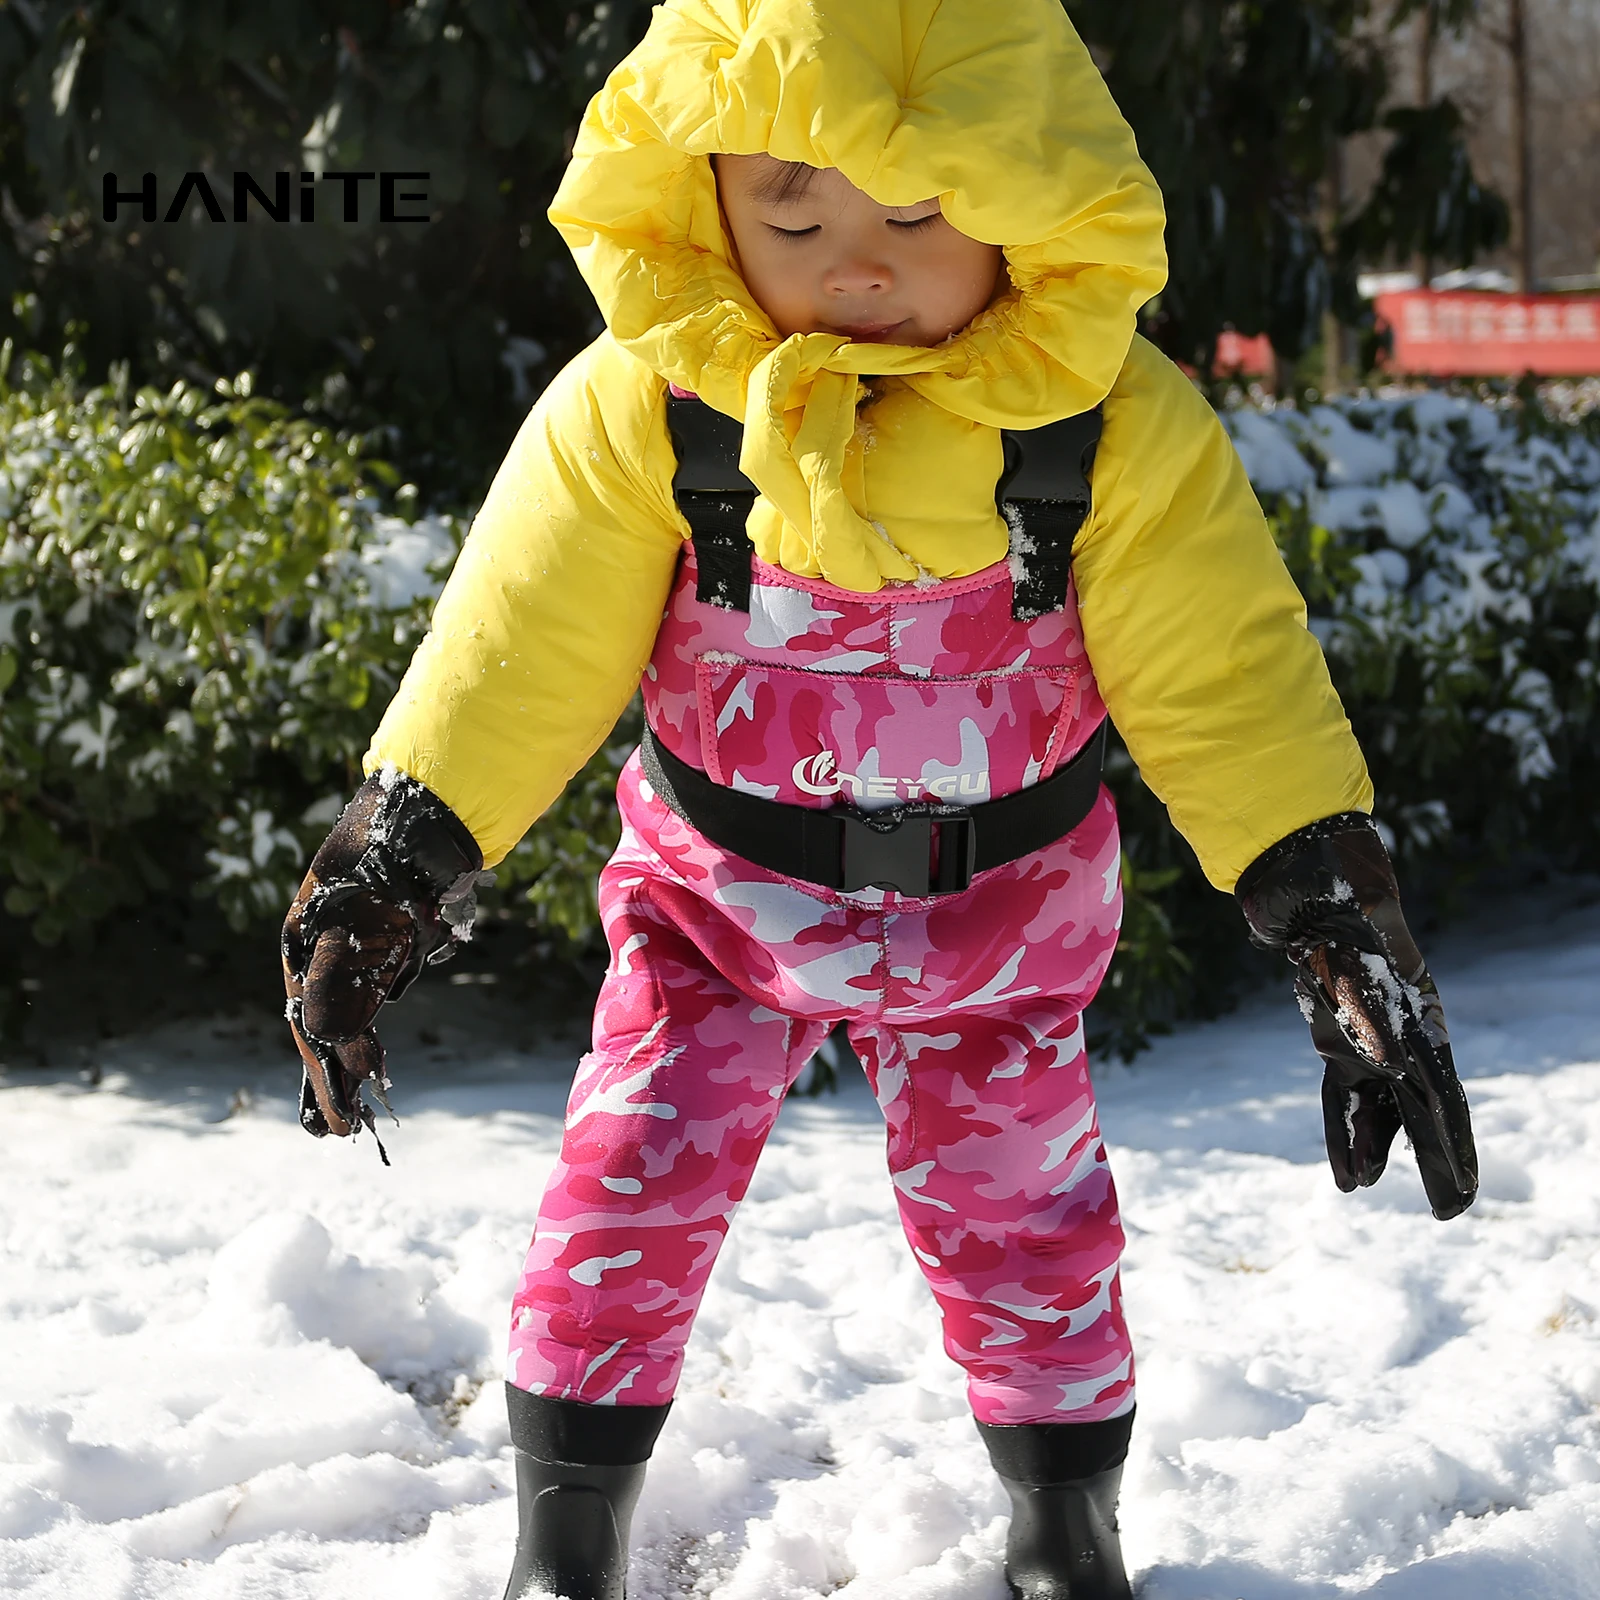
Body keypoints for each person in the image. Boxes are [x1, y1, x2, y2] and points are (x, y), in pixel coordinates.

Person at [280, 4, 1480, 1597]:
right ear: (704, 195)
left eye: (916, 212)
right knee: (624, 1188)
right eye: (793, 211)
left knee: (1030, 1224)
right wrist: (390, 865)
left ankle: (1069, 1527)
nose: (854, 261)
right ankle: (565, 1537)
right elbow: (520, 649)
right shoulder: (650, 406)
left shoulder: (1108, 428)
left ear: (1027, 191)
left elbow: (1225, 679)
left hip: (1000, 926)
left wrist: (1337, 915)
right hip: (718, 907)